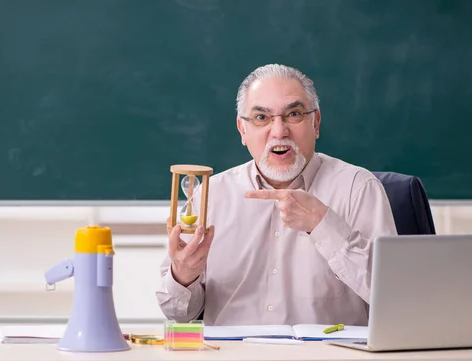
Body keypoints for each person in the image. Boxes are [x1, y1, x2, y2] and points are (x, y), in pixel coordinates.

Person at [155, 64, 398, 326]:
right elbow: (178, 314)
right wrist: (184, 276)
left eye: (293, 114)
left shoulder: (358, 188)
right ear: (242, 130)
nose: (279, 131)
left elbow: (396, 299)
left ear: (315, 123)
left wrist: (323, 224)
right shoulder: (211, 196)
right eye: (261, 118)